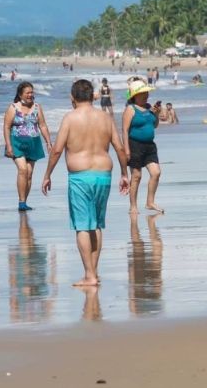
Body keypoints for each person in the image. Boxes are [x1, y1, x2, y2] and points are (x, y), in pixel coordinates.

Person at [41, 79, 129, 287]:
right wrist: (124, 173)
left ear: (72, 98)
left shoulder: (70, 118)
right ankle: (93, 272)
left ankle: (89, 275)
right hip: (103, 175)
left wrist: (47, 174)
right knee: (96, 224)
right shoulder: (105, 118)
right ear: (93, 96)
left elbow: (56, 150)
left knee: (82, 225)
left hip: (80, 176)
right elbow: (119, 147)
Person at [3, 82, 52, 212]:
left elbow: (42, 125)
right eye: (27, 93)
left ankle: (24, 201)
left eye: (32, 92)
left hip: (33, 143)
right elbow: (6, 127)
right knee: (23, 170)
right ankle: (21, 202)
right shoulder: (13, 108)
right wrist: (8, 145)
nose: (30, 95)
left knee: (29, 174)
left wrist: (48, 142)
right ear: (20, 94)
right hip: (16, 143)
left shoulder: (37, 107)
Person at [122, 78, 162, 214]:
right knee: (136, 176)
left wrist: (156, 114)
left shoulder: (149, 108)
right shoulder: (130, 109)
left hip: (150, 146)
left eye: (147, 93)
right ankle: (133, 206)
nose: (146, 95)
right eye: (143, 93)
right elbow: (125, 130)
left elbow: (155, 125)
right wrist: (126, 149)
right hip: (135, 145)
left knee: (156, 172)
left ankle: (150, 202)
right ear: (135, 96)